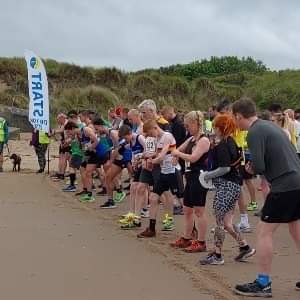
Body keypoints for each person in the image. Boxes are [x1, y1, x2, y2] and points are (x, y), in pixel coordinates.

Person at [232, 98, 300, 297]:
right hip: (296, 181)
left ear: (238, 116)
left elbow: (259, 166)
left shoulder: (254, 132)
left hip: (283, 185)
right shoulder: (271, 127)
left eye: (234, 119)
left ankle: (263, 282)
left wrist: (250, 167)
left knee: (264, 232)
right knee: (296, 229)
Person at [199, 113, 256, 266]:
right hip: (235, 185)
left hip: (226, 185)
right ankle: (245, 246)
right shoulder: (231, 141)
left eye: (216, 126)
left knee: (219, 220)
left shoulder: (224, 144)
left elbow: (224, 168)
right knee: (227, 222)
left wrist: (207, 175)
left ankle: (217, 255)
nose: (214, 129)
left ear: (220, 127)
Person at [170, 111, 209, 253]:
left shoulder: (203, 140)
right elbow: (178, 148)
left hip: (199, 177)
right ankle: (187, 237)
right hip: (190, 176)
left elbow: (193, 157)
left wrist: (178, 155)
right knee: (187, 209)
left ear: (195, 123)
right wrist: (176, 154)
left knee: (199, 210)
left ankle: (201, 241)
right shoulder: (192, 139)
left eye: (188, 125)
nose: (187, 128)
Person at [137, 120, 178, 238]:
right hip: (164, 172)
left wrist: (152, 161)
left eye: (150, 133)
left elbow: (162, 155)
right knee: (153, 198)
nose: (150, 136)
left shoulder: (167, 136)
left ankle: (187, 226)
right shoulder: (157, 139)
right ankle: (152, 228)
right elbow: (156, 153)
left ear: (155, 128)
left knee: (182, 201)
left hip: (172, 173)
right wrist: (144, 157)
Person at [62, 122, 84, 192]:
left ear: (72, 129)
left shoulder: (79, 132)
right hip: (77, 153)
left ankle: (72, 185)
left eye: (69, 131)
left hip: (78, 153)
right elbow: (68, 142)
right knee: (81, 170)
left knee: (73, 168)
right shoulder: (75, 134)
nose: (68, 133)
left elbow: (79, 141)